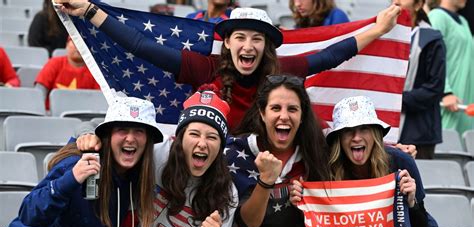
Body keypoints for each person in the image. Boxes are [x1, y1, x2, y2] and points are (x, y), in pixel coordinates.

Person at [56, 0, 401, 130]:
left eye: (256, 39)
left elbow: (330, 56)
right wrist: (89, 11)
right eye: (240, 37)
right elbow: (141, 46)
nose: (248, 45)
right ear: (228, 43)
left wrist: (378, 29)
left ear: (266, 46)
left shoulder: (281, 73)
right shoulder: (203, 68)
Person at [75, 90, 238, 227]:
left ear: (221, 147)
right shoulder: (157, 149)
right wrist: (87, 135)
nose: (202, 144)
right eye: (194, 134)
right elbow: (94, 125)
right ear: (179, 139)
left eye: (212, 137)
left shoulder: (226, 194)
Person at [0, 96, 163, 227]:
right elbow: (28, 215)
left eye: (139, 131)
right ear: (108, 135)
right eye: (122, 129)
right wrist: (69, 180)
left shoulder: (138, 175)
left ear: (148, 140)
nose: (130, 138)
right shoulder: (78, 162)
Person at [290, 95, 446, 227]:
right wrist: (301, 203)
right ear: (339, 138)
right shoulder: (324, 169)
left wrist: (412, 204)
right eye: (348, 130)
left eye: (364, 129)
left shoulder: (401, 161)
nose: (356, 137)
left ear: (375, 133)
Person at [223, 74, 331, 227]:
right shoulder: (237, 152)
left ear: (302, 115)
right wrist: (266, 180)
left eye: (292, 109)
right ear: (262, 113)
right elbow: (250, 223)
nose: (284, 116)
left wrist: (311, 203)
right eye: (275, 108)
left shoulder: (320, 150)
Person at [394, 0, 446, 159]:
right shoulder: (382, 33)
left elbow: (434, 88)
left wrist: (397, 100)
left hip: (419, 131)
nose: (396, 1)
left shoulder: (431, 39)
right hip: (389, 128)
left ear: (418, 5)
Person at [428, 0, 474, 137]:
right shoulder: (437, 16)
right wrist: (446, 92)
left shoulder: (464, 22)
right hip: (447, 103)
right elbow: (431, 57)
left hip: (464, 102)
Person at [34, 37, 99, 109]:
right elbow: (39, 92)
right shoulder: (54, 63)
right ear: (67, 45)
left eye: (85, 43)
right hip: (53, 114)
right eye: (75, 42)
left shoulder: (96, 70)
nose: (79, 46)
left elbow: (99, 99)